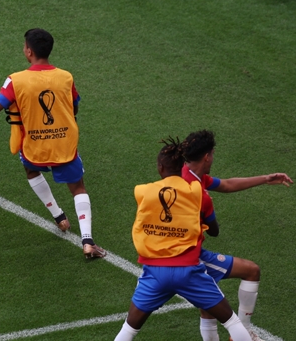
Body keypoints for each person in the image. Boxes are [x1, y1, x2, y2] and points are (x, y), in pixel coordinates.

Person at [0, 28, 105, 258]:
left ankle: (59, 217)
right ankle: (88, 241)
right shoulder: (66, 76)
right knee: (78, 187)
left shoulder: (17, 80)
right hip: (65, 144)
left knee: (31, 169)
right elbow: (74, 107)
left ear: (28, 51)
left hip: (35, 146)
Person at [113, 138, 252, 341]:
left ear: (160, 167)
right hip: (189, 271)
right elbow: (213, 229)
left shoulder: (142, 191)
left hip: (154, 273)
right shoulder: (197, 193)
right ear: (182, 166)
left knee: (129, 329)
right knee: (231, 322)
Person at [180, 130, 292, 341]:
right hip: (190, 258)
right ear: (207, 156)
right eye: (212, 154)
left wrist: (265, 178)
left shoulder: (186, 173)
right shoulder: (196, 188)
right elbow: (215, 231)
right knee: (251, 271)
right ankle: (244, 335)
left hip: (180, 253)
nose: (213, 158)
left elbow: (227, 185)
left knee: (207, 308)